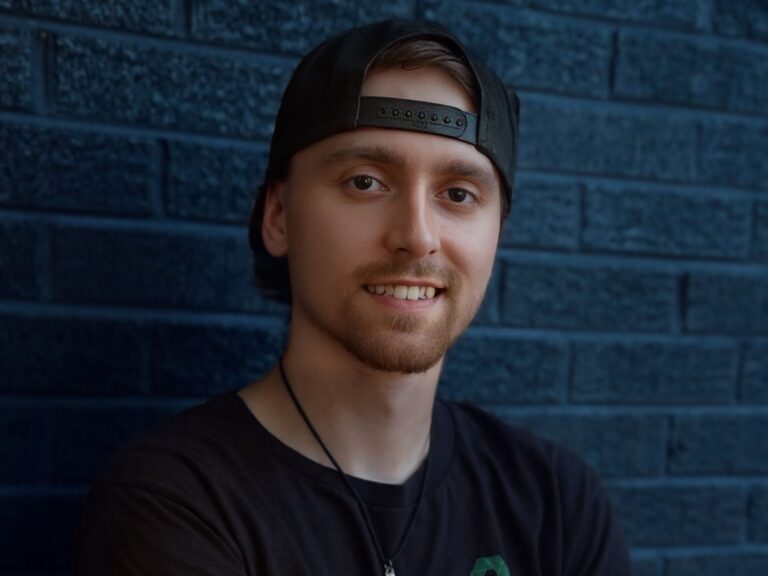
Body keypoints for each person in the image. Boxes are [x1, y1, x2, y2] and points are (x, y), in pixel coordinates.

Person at [75, 19, 631, 576]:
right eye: (365, 181)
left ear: (497, 234)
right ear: (279, 216)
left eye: (458, 194)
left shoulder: (556, 505)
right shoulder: (177, 501)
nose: (418, 235)